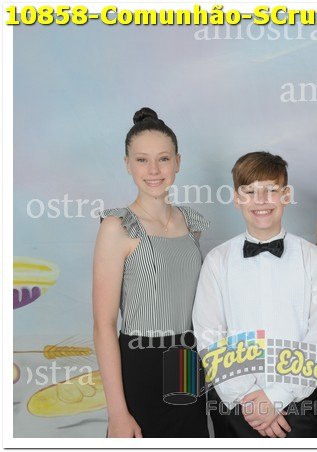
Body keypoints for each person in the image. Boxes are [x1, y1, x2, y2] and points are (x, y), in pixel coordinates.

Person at [192, 151, 317, 438]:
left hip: (301, 403)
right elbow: (210, 335)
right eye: (250, 192)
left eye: (271, 190)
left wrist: (277, 396)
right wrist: (249, 397)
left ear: (286, 195)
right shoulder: (217, 261)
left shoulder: (313, 259)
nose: (260, 200)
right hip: (236, 406)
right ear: (237, 199)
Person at [92, 107, 210, 438]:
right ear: (127, 164)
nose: (154, 170)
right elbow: (103, 325)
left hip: (186, 360)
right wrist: (117, 412)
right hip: (139, 362)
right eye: (142, 160)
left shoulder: (191, 223)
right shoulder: (117, 227)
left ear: (178, 162)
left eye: (163, 159)